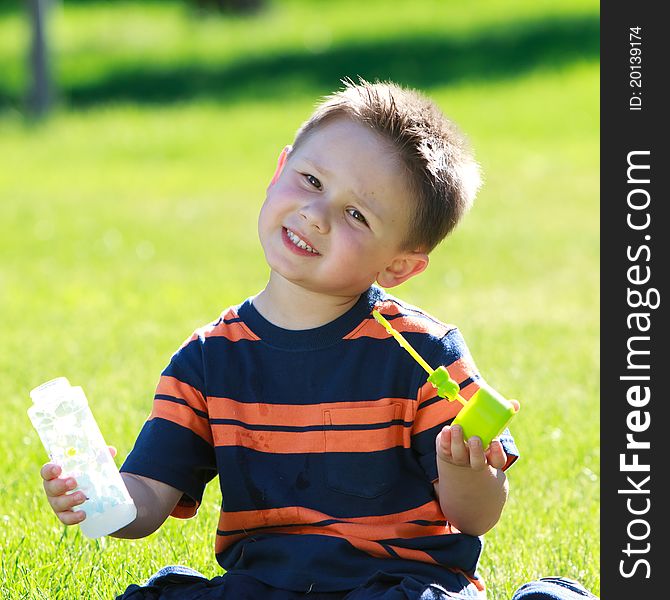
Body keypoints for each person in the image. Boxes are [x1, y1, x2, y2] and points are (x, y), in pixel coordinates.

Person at [40, 79, 598, 600]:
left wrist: (466, 473)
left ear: (399, 266)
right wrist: (102, 499)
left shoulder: (425, 353)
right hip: (268, 587)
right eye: (311, 181)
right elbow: (148, 499)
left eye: (357, 214)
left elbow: (476, 517)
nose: (317, 215)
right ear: (281, 167)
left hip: (396, 584)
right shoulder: (207, 361)